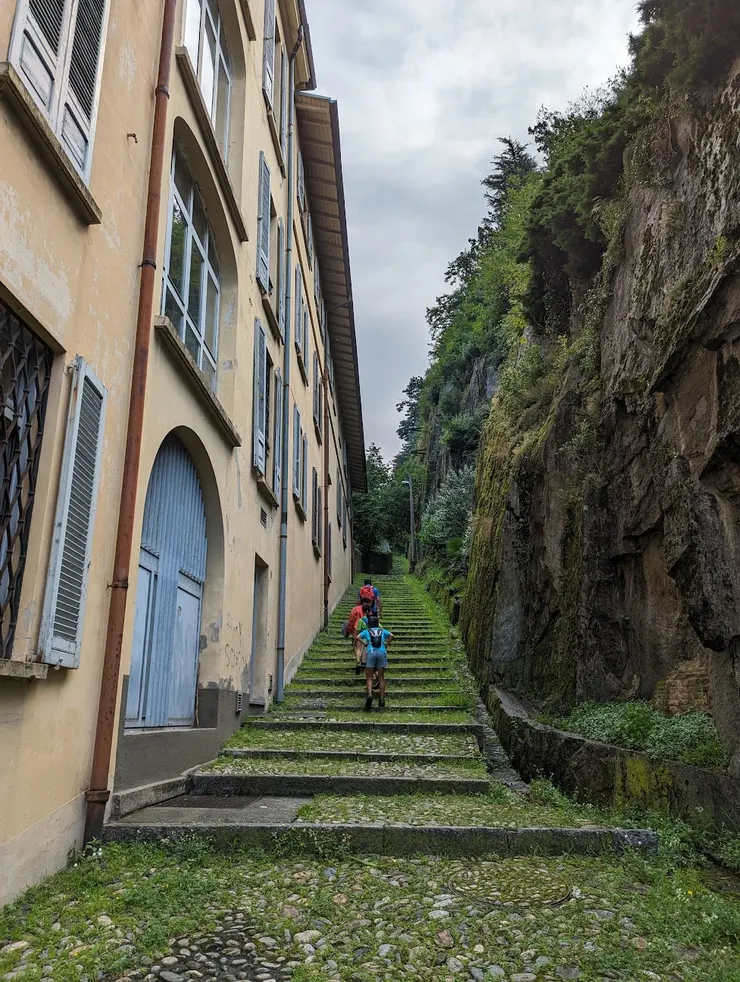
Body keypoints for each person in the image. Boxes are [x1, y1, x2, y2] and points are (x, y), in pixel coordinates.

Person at [358, 614, 393, 710]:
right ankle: (381, 699)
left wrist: (365, 643)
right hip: (381, 652)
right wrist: (387, 644)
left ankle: (369, 695)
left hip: (371, 652)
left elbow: (357, 637)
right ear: (377, 624)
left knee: (369, 677)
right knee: (381, 676)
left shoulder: (367, 631)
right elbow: (391, 635)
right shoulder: (382, 631)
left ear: (369, 624)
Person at [347, 600, 370, 672]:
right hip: (368, 636)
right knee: (364, 649)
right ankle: (363, 662)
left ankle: (358, 662)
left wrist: (355, 637)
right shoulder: (372, 619)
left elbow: (357, 630)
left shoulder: (360, 620)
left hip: (360, 636)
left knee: (358, 648)